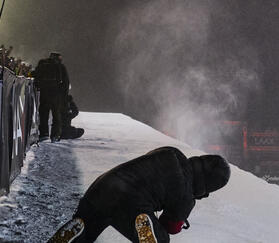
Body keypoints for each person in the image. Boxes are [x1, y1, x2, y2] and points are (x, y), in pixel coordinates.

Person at [47, 147, 231, 243]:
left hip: (102, 186)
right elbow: (170, 225)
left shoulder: (171, 151)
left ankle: (79, 228)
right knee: (161, 238)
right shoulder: (186, 195)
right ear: (210, 186)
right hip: (131, 204)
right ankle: (143, 222)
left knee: (88, 230)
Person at [35, 51, 70, 142]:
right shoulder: (61, 67)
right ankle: (55, 135)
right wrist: (64, 96)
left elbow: (36, 76)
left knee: (43, 114)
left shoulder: (43, 65)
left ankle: (44, 133)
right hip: (56, 94)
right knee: (56, 115)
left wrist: (39, 87)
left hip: (44, 93)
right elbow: (66, 83)